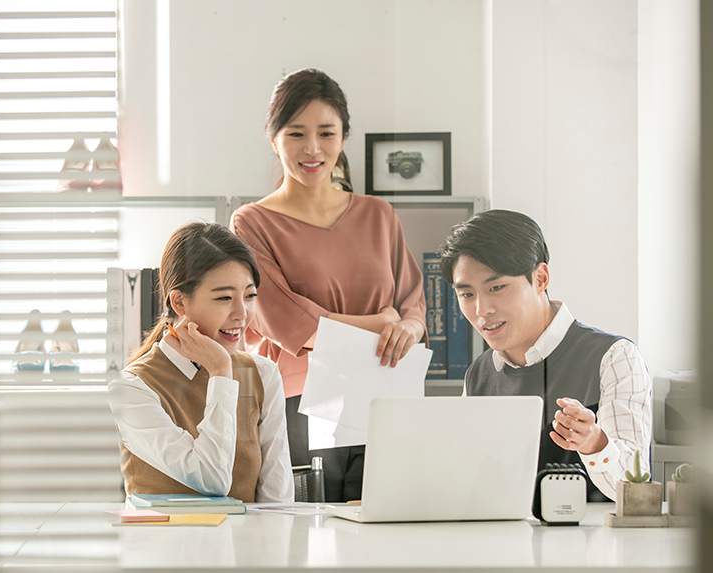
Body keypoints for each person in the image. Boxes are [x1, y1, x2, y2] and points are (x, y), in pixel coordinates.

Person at [230, 69, 427, 502]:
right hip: (301, 403)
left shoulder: (379, 215)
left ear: (343, 136)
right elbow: (288, 323)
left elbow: (413, 306)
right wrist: (382, 322)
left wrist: (407, 328)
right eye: (296, 133)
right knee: (309, 541)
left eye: (326, 133)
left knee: (383, 537)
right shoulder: (251, 223)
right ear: (273, 137)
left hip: (385, 395)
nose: (313, 149)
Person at [439, 209, 651, 501]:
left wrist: (594, 443)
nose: (481, 310)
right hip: (498, 542)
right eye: (467, 295)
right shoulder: (479, 374)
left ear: (540, 278)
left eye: (497, 287)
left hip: (592, 544)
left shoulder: (613, 357)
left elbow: (636, 490)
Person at [107, 221, 293, 503]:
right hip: (162, 546)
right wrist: (220, 371)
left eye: (250, 295)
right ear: (180, 303)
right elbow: (212, 479)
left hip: (247, 546)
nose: (242, 313)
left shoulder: (263, 374)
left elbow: (277, 499)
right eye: (224, 298)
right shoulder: (132, 388)